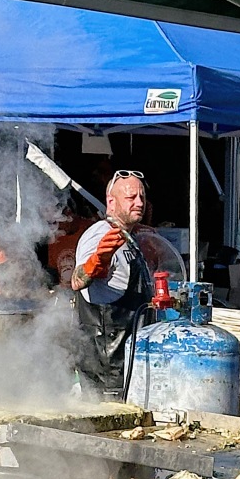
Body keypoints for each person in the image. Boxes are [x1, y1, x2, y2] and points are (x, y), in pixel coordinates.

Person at [71, 169, 153, 395]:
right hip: (107, 367)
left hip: (127, 360)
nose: (139, 203)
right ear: (111, 202)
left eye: (142, 197)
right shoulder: (99, 234)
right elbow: (77, 281)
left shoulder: (130, 236)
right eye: (131, 198)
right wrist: (95, 262)